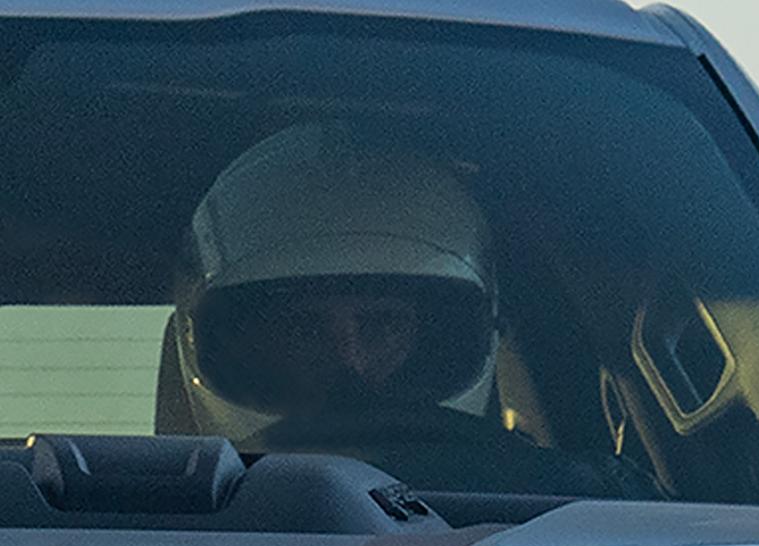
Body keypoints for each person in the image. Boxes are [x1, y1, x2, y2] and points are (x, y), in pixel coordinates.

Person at [171, 122, 623, 495]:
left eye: (381, 325)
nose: (350, 360)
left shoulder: (578, 508)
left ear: (435, 337)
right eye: (303, 329)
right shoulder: (150, 527)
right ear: (239, 347)